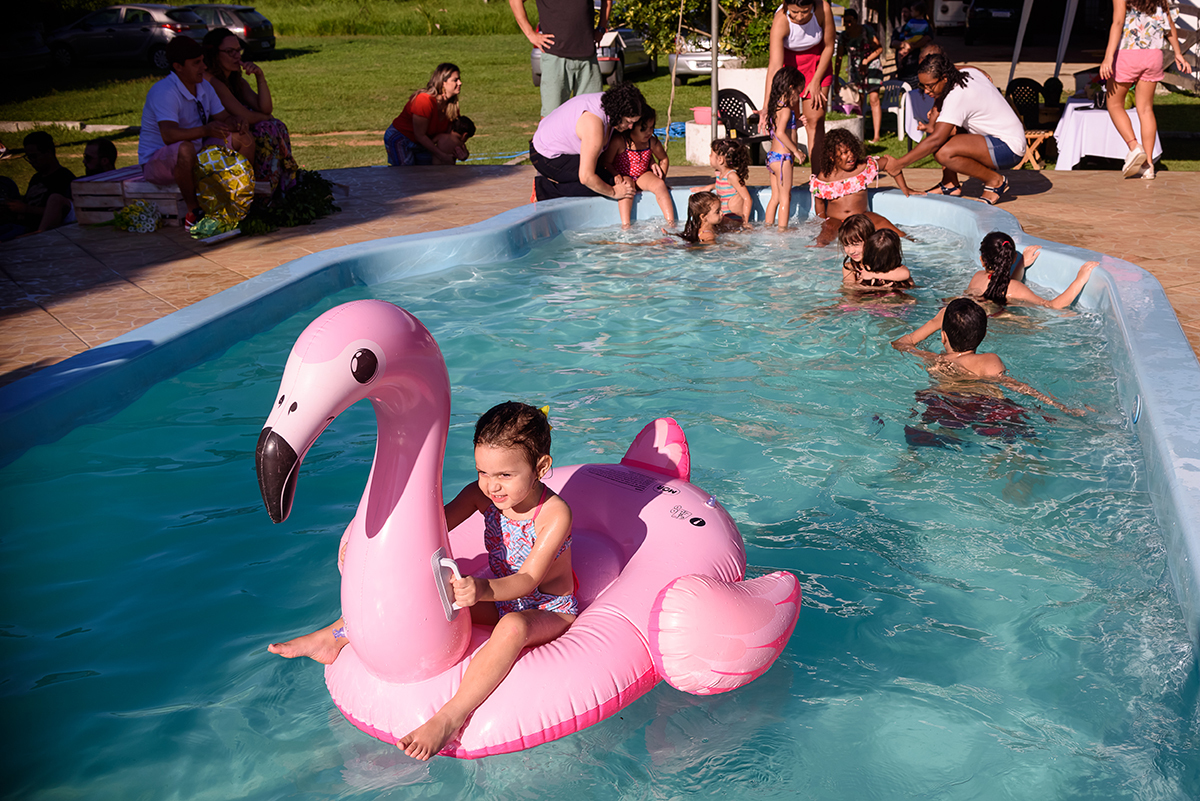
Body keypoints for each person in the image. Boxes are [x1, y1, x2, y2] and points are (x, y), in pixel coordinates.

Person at [269, 401, 576, 761]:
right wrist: (364, 544)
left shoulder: (554, 514)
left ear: (540, 467)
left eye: (505, 475)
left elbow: (527, 579)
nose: (492, 486)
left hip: (547, 608)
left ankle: (450, 717)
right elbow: (429, 526)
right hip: (496, 594)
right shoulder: (482, 495)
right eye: (482, 472)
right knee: (427, 588)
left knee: (511, 626)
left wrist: (481, 591)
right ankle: (336, 634)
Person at [891, 297, 1088, 415]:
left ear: (943, 337)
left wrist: (935, 322)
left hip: (943, 403)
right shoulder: (988, 362)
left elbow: (900, 344)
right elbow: (1019, 387)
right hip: (985, 407)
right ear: (983, 335)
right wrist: (1060, 406)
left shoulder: (935, 360)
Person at [879, 53, 1026, 205]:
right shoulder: (966, 74)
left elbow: (936, 140)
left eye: (930, 86)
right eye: (923, 86)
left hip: (1008, 149)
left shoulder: (957, 95)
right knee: (945, 132)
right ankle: (950, 184)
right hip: (1007, 140)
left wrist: (899, 163)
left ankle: (995, 181)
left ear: (944, 78)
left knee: (943, 151)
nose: (927, 91)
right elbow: (959, 68)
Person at [138, 36, 253, 228]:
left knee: (244, 137)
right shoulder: (164, 91)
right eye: (196, 63)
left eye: (202, 61)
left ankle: (241, 199)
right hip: (157, 163)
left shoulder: (204, 86)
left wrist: (237, 122)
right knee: (185, 148)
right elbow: (169, 135)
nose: (204, 67)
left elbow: (224, 118)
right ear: (178, 67)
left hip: (195, 153)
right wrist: (206, 129)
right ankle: (195, 212)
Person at [1100, 0, 1193, 180]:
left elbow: (1118, 23)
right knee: (1146, 109)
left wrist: (1108, 57)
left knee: (1114, 104)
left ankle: (1134, 147)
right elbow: (1169, 26)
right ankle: (1148, 165)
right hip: (1153, 56)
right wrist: (1178, 53)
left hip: (1128, 54)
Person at [202, 27, 299, 195]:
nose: (237, 56)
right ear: (214, 54)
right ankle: (263, 185)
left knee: (277, 125)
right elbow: (244, 115)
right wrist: (267, 117)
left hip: (238, 128)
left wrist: (260, 77)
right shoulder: (212, 81)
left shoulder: (235, 79)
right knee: (267, 128)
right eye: (229, 52)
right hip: (219, 134)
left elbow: (266, 107)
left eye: (238, 51)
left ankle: (279, 183)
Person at [530, 82, 644, 201]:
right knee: (600, 185)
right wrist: (614, 192)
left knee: (611, 178)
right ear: (617, 113)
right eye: (628, 121)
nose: (631, 127)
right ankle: (543, 190)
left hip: (549, 141)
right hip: (544, 156)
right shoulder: (593, 125)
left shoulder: (611, 102)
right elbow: (586, 177)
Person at [761, 0, 836, 161]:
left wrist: (815, 81)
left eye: (805, 11)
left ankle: (818, 177)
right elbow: (774, 65)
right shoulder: (781, 20)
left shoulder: (823, 9)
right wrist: (767, 105)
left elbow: (829, 46)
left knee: (814, 120)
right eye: (794, 12)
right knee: (789, 124)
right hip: (790, 69)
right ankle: (787, 177)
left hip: (818, 64)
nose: (800, 17)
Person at [812, 128, 911, 246]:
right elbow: (819, 203)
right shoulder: (825, 177)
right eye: (844, 153)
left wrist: (905, 188)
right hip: (836, 219)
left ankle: (913, 242)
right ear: (831, 156)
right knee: (822, 241)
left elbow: (891, 165)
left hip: (862, 216)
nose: (851, 155)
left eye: (852, 150)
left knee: (896, 233)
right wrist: (822, 223)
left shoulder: (863, 168)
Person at [510, 0, 610, 117]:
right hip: (555, 56)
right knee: (551, 117)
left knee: (593, 116)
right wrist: (530, 34)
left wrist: (602, 28)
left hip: (588, 57)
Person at [965, 232, 1099, 309]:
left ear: (982, 260)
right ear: (1013, 258)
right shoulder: (1015, 288)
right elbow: (1052, 305)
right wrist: (1079, 280)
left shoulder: (977, 277)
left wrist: (1021, 265)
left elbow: (999, 285)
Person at [601, 105, 675, 228]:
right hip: (624, 175)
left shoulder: (651, 142)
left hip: (642, 176)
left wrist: (661, 177)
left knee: (660, 185)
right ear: (630, 127)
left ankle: (671, 223)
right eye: (643, 129)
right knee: (627, 187)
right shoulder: (619, 141)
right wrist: (615, 174)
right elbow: (605, 162)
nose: (649, 132)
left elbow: (663, 158)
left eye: (651, 127)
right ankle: (626, 225)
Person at [385, 63, 468, 167]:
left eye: (459, 79)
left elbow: (450, 137)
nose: (460, 83)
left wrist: (461, 151)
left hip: (423, 142)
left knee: (428, 174)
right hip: (402, 138)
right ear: (443, 83)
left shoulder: (453, 107)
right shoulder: (424, 100)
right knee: (407, 175)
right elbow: (419, 135)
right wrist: (441, 155)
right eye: (455, 80)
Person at [3, 131, 76, 238]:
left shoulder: (64, 178)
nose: (31, 161)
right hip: (20, 225)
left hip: (37, 231)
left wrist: (26, 209)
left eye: (34, 156)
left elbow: (62, 212)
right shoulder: (36, 178)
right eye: (28, 157)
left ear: (49, 153)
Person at [763, 66, 807, 230]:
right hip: (783, 159)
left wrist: (798, 124)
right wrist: (796, 151)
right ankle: (782, 232)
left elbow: (780, 129)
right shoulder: (787, 110)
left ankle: (768, 228)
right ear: (791, 88)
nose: (799, 97)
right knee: (785, 198)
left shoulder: (776, 106)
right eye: (799, 92)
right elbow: (781, 133)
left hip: (773, 157)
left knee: (775, 197)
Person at [834, 8, 884, 142]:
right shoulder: (844, 36)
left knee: (874, 99)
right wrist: (836, 78)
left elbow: (879, 48)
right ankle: (861, 132)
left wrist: (866, 61)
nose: (848, 25)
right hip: (856, 70)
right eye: (846, 22)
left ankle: (877, 135)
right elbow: (839, 58)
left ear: (856, 21)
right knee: (859, 100)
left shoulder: (866, 31)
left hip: (872, 67)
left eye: (850, 21)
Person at [691, 139, 752, 230]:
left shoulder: (732, 176)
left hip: (732, 221)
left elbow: (747, 198)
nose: (709, 156)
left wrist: (745, 222)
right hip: (721, 218)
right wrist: (709, 187)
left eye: (711, 155)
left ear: (720, 160)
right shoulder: (719, 174)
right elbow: (722, 185)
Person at [849, 228, 914, 288]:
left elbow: (905, 274)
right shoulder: (899, 272)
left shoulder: (864, 270)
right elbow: (906, 274)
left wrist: (872, 275)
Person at [893, 3, 934, 83]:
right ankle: (900, 66)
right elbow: (893, 43)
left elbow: (928, 38)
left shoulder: (910, 25)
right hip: (904, 73)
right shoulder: (898, 29)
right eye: (902, 12)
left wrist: (910, 46)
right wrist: (905, 45)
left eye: (907, 12)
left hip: (917, 70)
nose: (903, 14)